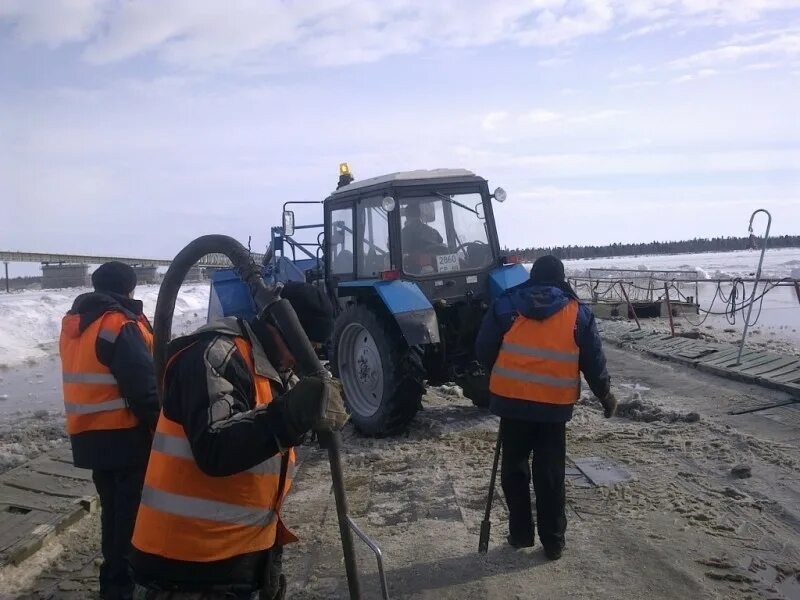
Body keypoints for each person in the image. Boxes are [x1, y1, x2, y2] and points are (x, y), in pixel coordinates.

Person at [129, 281, 347, 600]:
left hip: (231, 560)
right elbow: (215, 448)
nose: (305, 358)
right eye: (305, 346)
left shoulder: (272, 368)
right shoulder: (215, 355)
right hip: (186, 568)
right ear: (277, 326)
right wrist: (289, 414)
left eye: (315, 349)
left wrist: (265, 559)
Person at [475, 255, 617, 560]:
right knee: (550, 472)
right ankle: (553, 542)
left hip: (512, 403)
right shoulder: (577, 312)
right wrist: (605, 396)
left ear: (533, 276)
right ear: (560, 278)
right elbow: (593, 361)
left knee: (514, 469)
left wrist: (498, 374)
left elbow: (483, 349)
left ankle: (520, 534)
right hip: (554, 407)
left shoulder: (506, 304)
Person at [59, 261, 160, 600]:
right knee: (131, 518)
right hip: (125, 435)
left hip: (90, 436)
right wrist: (162, 425)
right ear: (129, 289)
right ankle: (122, 587)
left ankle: (114, 581)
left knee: (114, 513)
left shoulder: (75, 323)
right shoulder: (118, 324)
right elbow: (142, 387)